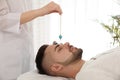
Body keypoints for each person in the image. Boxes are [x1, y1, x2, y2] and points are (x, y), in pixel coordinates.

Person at [0, 0, 62, 80]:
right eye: (58, 49)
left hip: (26, 51)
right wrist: (43, 11)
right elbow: (2, 19)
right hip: (8, 56)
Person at [35, 41, 120, 80]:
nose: (67, 43)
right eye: (59, 49)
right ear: (56, 67)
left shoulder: (91, 63)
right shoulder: (86, 76)